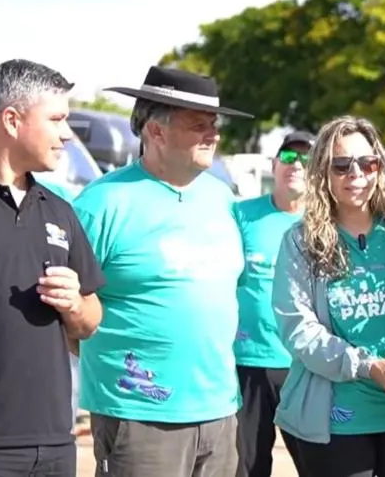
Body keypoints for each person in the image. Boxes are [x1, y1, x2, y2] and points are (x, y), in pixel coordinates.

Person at [72, 65, 254, 476]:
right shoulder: (103, 203)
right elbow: (68, 310)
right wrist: (118, 367)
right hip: (140, 416)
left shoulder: (221, 198)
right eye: (198, 125)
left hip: (221, 409)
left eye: (214, 124)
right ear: (155, 131)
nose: (214, 134)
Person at [271, 116, 385, 477]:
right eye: (342, 165)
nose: (356, 174)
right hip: (339, 418)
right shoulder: (302, 242)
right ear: (323, 172)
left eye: (367, 163)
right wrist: (368, 368)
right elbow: (298, 329)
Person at [0, 59, 105, 476]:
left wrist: (73, 307)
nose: (66, 133)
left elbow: (90, 320)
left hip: (53, 445)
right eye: (56, 119)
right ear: (12, 120)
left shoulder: (60, 210)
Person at [234, 131, 315, 477]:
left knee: (319, 466)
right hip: (247, 364)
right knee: (247, 467)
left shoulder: (324, 224)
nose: (295, 165)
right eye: (287, 157)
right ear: (274, 164)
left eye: (305, 160)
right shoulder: (241, 215)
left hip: (305, 367)